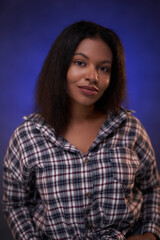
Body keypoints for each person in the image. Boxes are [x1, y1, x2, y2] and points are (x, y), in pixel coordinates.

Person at [2, 21, 160, 240]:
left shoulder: (130, 129)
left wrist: (151, 234)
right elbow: (15, 204)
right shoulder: (28, 135)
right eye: (80, 63)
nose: (92, 77)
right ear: (60, 66)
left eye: (103, 68)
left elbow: (152, 188)